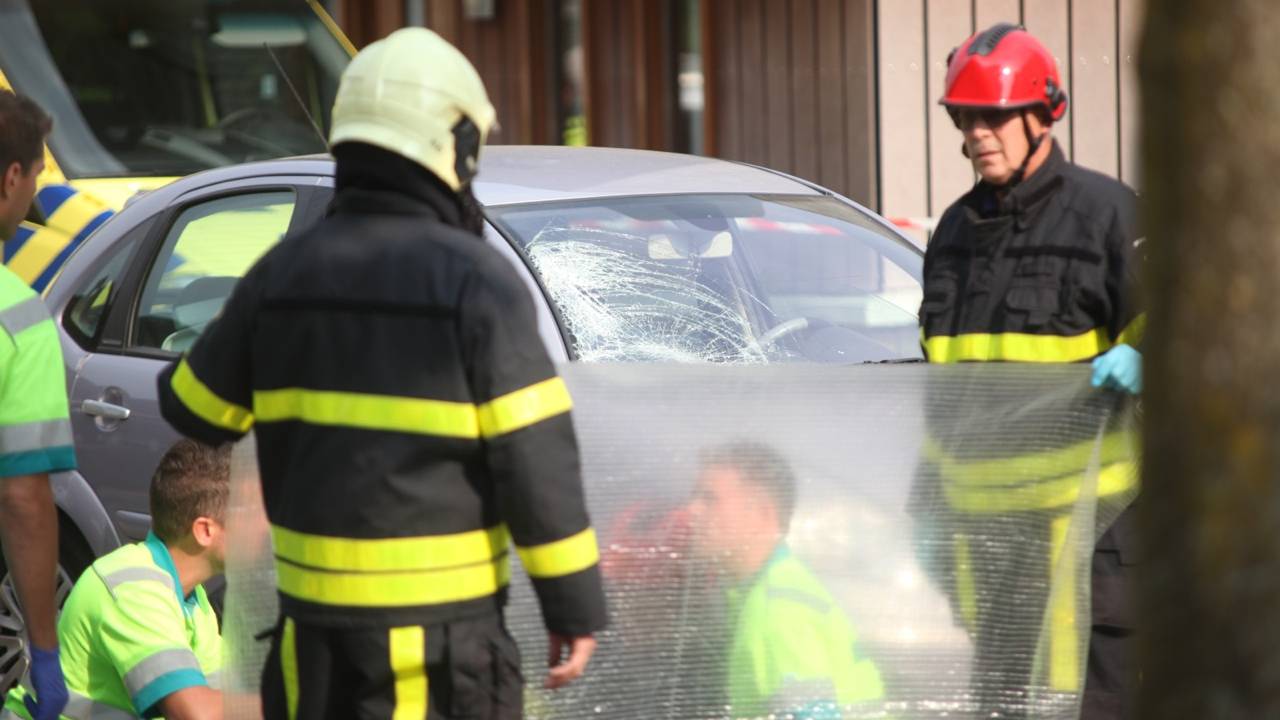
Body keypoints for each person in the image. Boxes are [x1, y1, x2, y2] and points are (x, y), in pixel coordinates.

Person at [156, 28, 607, 719]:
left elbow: (193, 407)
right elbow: (536, 460)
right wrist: (573, 604)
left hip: (313, 649)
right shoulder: (477, 281)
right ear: (453, 146)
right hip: (438, 652)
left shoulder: (283, 272)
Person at [918, 23, 1142, 719]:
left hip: (1089, 533)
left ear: (1044, 114)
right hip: (987, 543)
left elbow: (1188, 326)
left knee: (1095, 703)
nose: (979, 133)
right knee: (1004, 707)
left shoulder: (1106, 213)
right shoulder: (952, 232)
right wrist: (922, 505)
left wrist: (1147, 353)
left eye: (995, 116)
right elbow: (941, 381)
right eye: (967, 117)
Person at [2, 438, 227, 720]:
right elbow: (198, 714)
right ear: (204, 531)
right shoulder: (132, 589)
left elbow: (226, 698)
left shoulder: (193, 599)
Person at [685, 441, 884, 719]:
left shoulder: (778, 613)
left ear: (762, 513)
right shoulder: (775, 587)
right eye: (694, 497)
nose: (692, 510)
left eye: (709, 498)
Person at [0, 89, 70, 720]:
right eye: (36, 179)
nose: (35, 202)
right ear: (10, 178)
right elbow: (22, 497)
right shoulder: (17, 316)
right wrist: (44, 653)